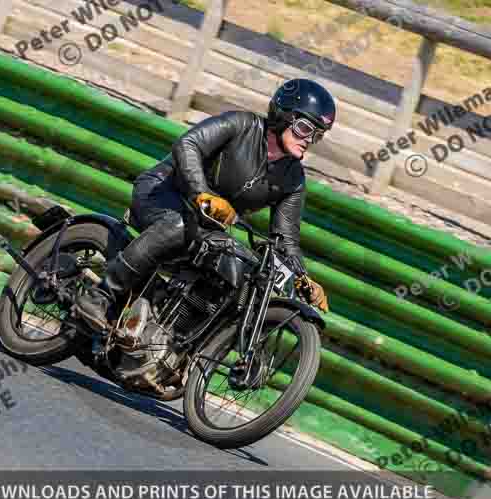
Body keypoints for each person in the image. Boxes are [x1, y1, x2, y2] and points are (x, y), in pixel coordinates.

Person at [76, 78, 334, 333]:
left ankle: (175, 336)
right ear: (282, 116)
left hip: (205, 225)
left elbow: (285, 238)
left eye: (317, 135)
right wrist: (201, 192)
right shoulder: (241, 124)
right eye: (304, 128)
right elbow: (188, 145)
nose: (309, 140)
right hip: (162, 192)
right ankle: (100, 296)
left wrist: (301, 278)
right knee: (178, 225)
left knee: (236, 266)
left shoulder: (293, 179)